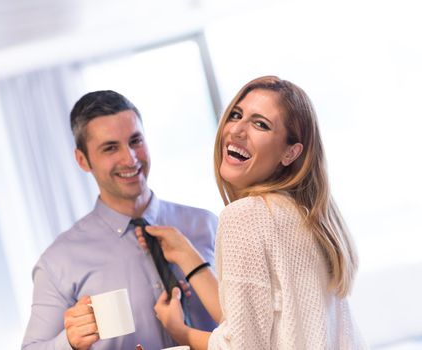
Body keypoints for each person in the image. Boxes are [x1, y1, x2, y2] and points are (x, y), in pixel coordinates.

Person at [138, 76, 367, 349]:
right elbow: (255, 325)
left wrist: (181, 332)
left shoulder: (246, 215)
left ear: (290, 153)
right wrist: (188, 257)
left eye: (261, 124)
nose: (236, 130)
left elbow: (243, 345)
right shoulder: (307, 218)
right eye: (236, 115)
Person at [22, 90, 218, 350]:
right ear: (83, 160)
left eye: (135, 141)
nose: (130, 158)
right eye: (110, 148)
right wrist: (68, 342)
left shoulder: (206, 225)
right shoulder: (58, 262)